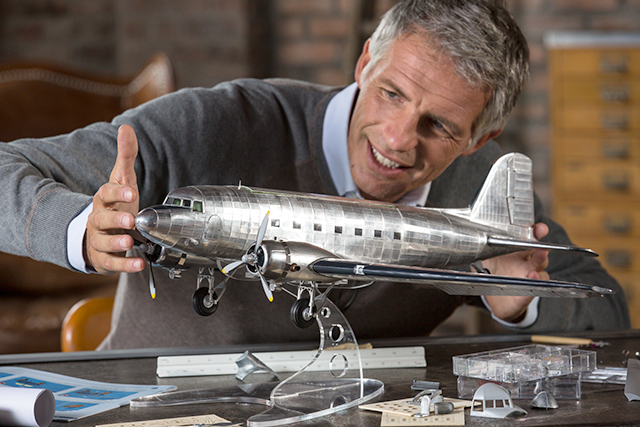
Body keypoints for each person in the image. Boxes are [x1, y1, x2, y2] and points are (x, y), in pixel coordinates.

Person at [0, 0, 629, 350]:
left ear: (479, 139)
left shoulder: (480, 187)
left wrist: (520, 309)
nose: (398, 141)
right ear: (363, 63)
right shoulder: (214, 121)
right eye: (390, 94)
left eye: (439, 126)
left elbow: (609, 316)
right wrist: (81, 227)